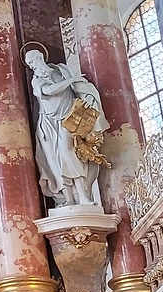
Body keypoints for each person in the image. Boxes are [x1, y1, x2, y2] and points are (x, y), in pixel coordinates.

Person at [24, 49, 108, 207]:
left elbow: (81, 87)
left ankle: (82, 196)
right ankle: (69, 199)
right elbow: (49, 91)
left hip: (69, 120)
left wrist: (87, 97)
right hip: (48, 124)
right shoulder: (37, 80)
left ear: (40, 57)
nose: (32, 65)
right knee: (55, 162)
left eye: (32, 61)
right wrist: (70, 80)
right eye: (29, 64)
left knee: (68, 152)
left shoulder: (61, 70)